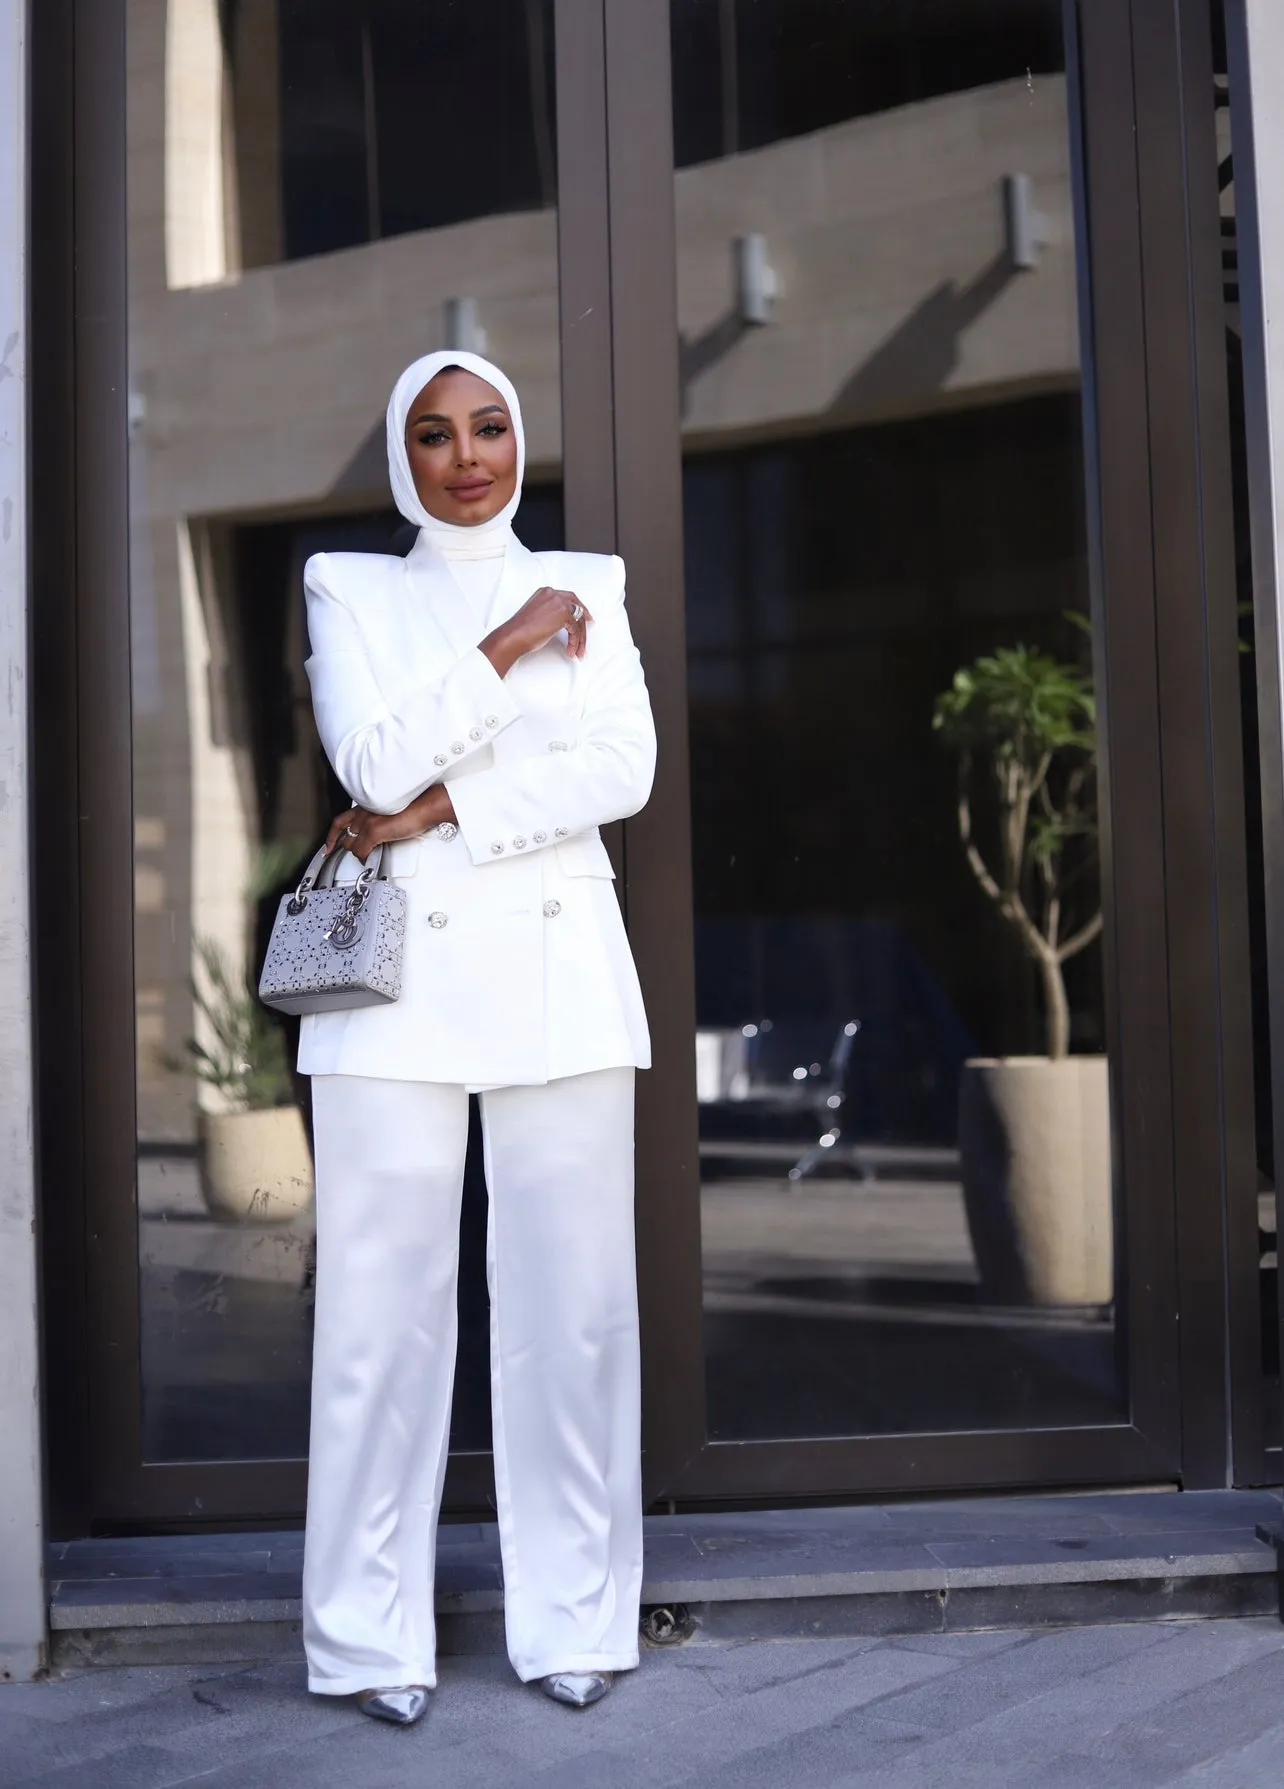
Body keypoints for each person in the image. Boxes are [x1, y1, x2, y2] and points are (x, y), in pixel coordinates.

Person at [297, 350, 655, 1723]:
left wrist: (445, 814)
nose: (468, 456)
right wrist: (506, 652)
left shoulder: (598, 586)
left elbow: (621, 769)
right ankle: (363, 1639)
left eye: (490, 427)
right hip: (395, 999)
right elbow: (369, 763)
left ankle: (577, 1617)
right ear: (405, 456)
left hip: (565, 980)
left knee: (574, 1318)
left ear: (519, 438)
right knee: (380, 1328)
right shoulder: (353, 587)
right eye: (437, 435)